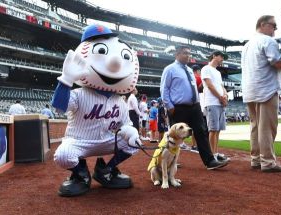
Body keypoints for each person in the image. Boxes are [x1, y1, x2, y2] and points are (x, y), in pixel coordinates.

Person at [51, 24, 142, 197]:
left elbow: (125, 125)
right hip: (80, 141)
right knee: (63, 155)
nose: (114, 63)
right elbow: (58, 107)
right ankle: (80, 173)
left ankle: (105, 170)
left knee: (134, 143)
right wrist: (65, 81)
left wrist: (130, 132)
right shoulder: (78, 94)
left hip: (107, 140)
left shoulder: (120, 101)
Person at [160, 45, 228, 170]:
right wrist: (170, 107)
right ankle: (168, 161)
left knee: (201, 132)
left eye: (189, 53)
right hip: (178, 107)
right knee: (175, 136)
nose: (188, 55)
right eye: (185, 53)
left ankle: (210, 161)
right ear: (177, 54)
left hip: (194, 107)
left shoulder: (190, 70)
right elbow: (164, 89)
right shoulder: (169, 69)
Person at [241, 15, 281, 172]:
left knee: (255, 126)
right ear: (263, 24)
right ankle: (268, 162)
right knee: (267, 127)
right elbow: (278, 62)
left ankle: (255, 159)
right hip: (266, 89)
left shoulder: (247, 45)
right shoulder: (268, 40)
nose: (275, 29)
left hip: (250, 89)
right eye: (273, 26)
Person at [201, 50, 230, 162]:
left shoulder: (217, 72)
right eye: (221, 56)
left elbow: (221, 86)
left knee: (217, 130)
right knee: (213, 130)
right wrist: (220, 97)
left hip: (219, 102)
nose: (222, 59)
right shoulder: (206, 68)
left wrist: (225, 96)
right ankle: (211, 155)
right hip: (212, 102)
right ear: (214, 56)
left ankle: (216, 152)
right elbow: (209, 85)